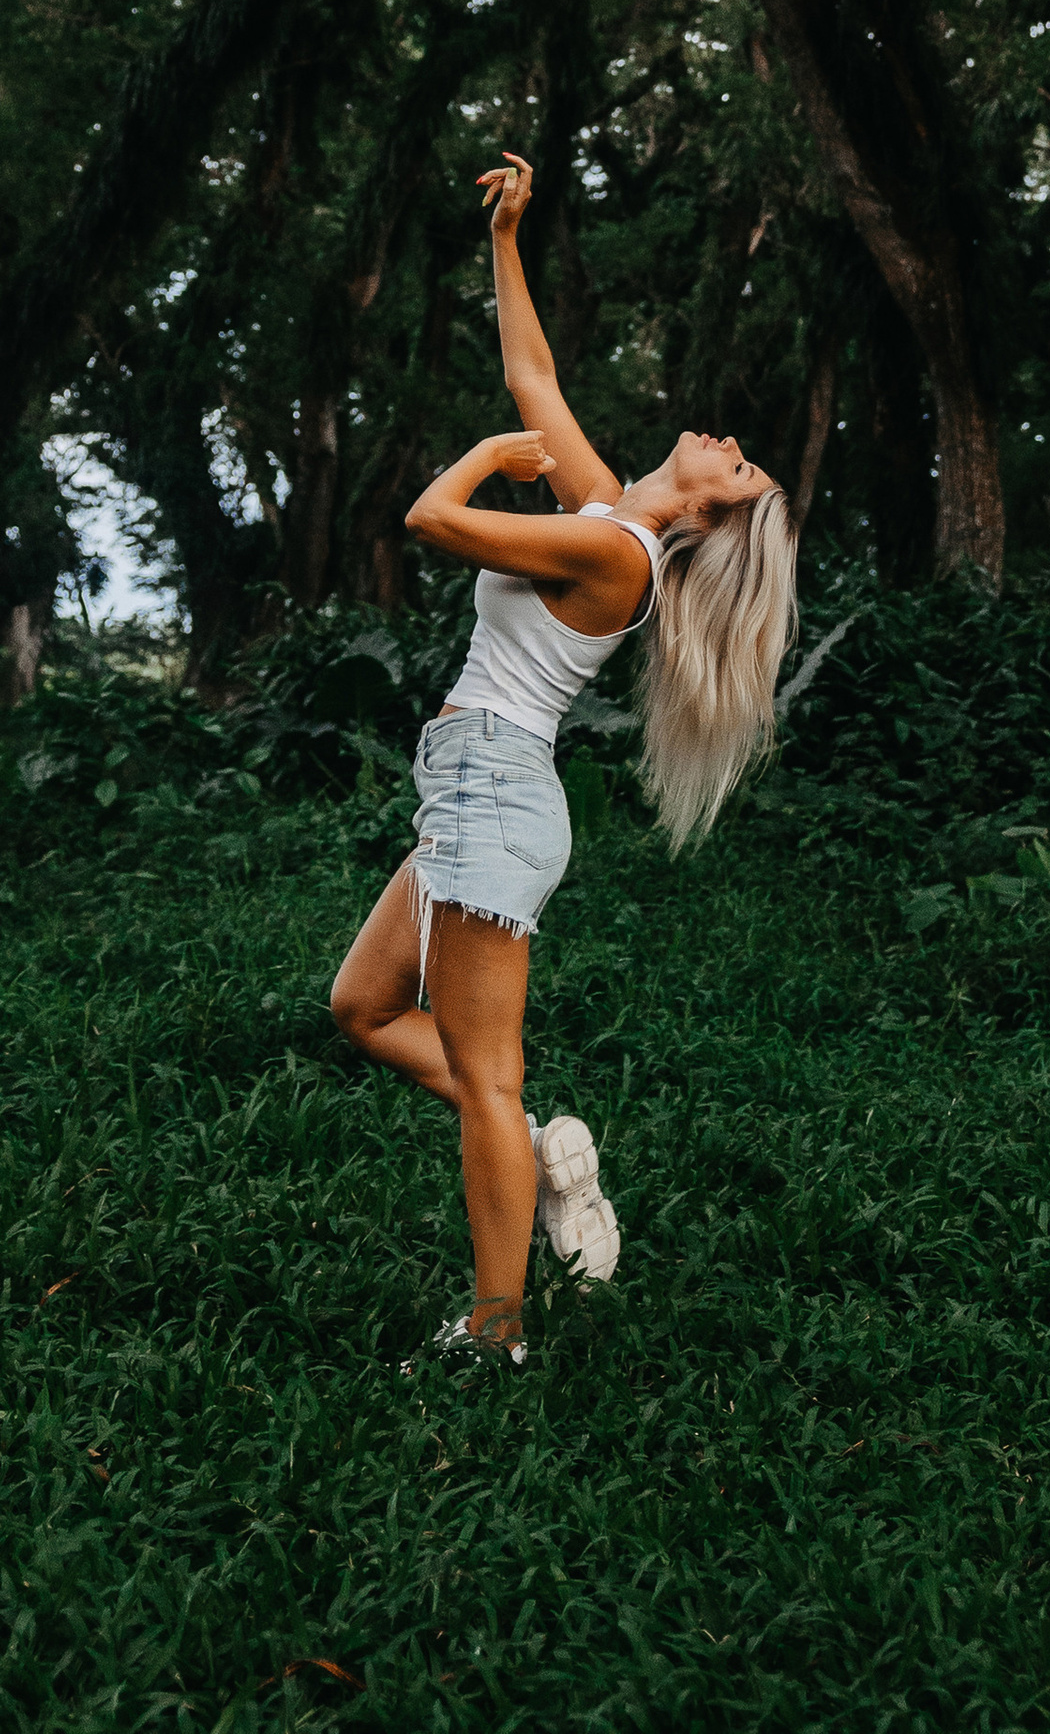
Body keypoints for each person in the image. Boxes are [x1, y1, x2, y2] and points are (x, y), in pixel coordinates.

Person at [329, 150, 799, 1369]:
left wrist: (489, 455)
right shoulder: (608, 513)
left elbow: (431, 519)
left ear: (707, 517)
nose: (727, 441)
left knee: (484, 1076)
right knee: (363, 1008)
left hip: (496, 793)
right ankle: (542, 1154)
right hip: (469, 789)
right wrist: (506, 236)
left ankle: (496, 1334)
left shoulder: (621, 560)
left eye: (736, 468)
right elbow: (533, 370)